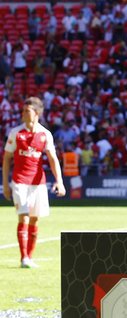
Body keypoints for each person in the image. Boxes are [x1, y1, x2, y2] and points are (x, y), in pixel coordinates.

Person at [3, 97, 66, 268]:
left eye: (27, 111)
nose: (23, 114)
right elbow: (7, 158)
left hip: (38, 183)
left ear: (36, 113)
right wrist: (6, 184)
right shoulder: (16, 132)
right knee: (23, 217)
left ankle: (29, 257)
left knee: (34, 220)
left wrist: (59, 182)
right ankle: (24, 258)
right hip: (19, 181)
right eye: (23, 110)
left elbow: (53, 159)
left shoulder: (45, 134)